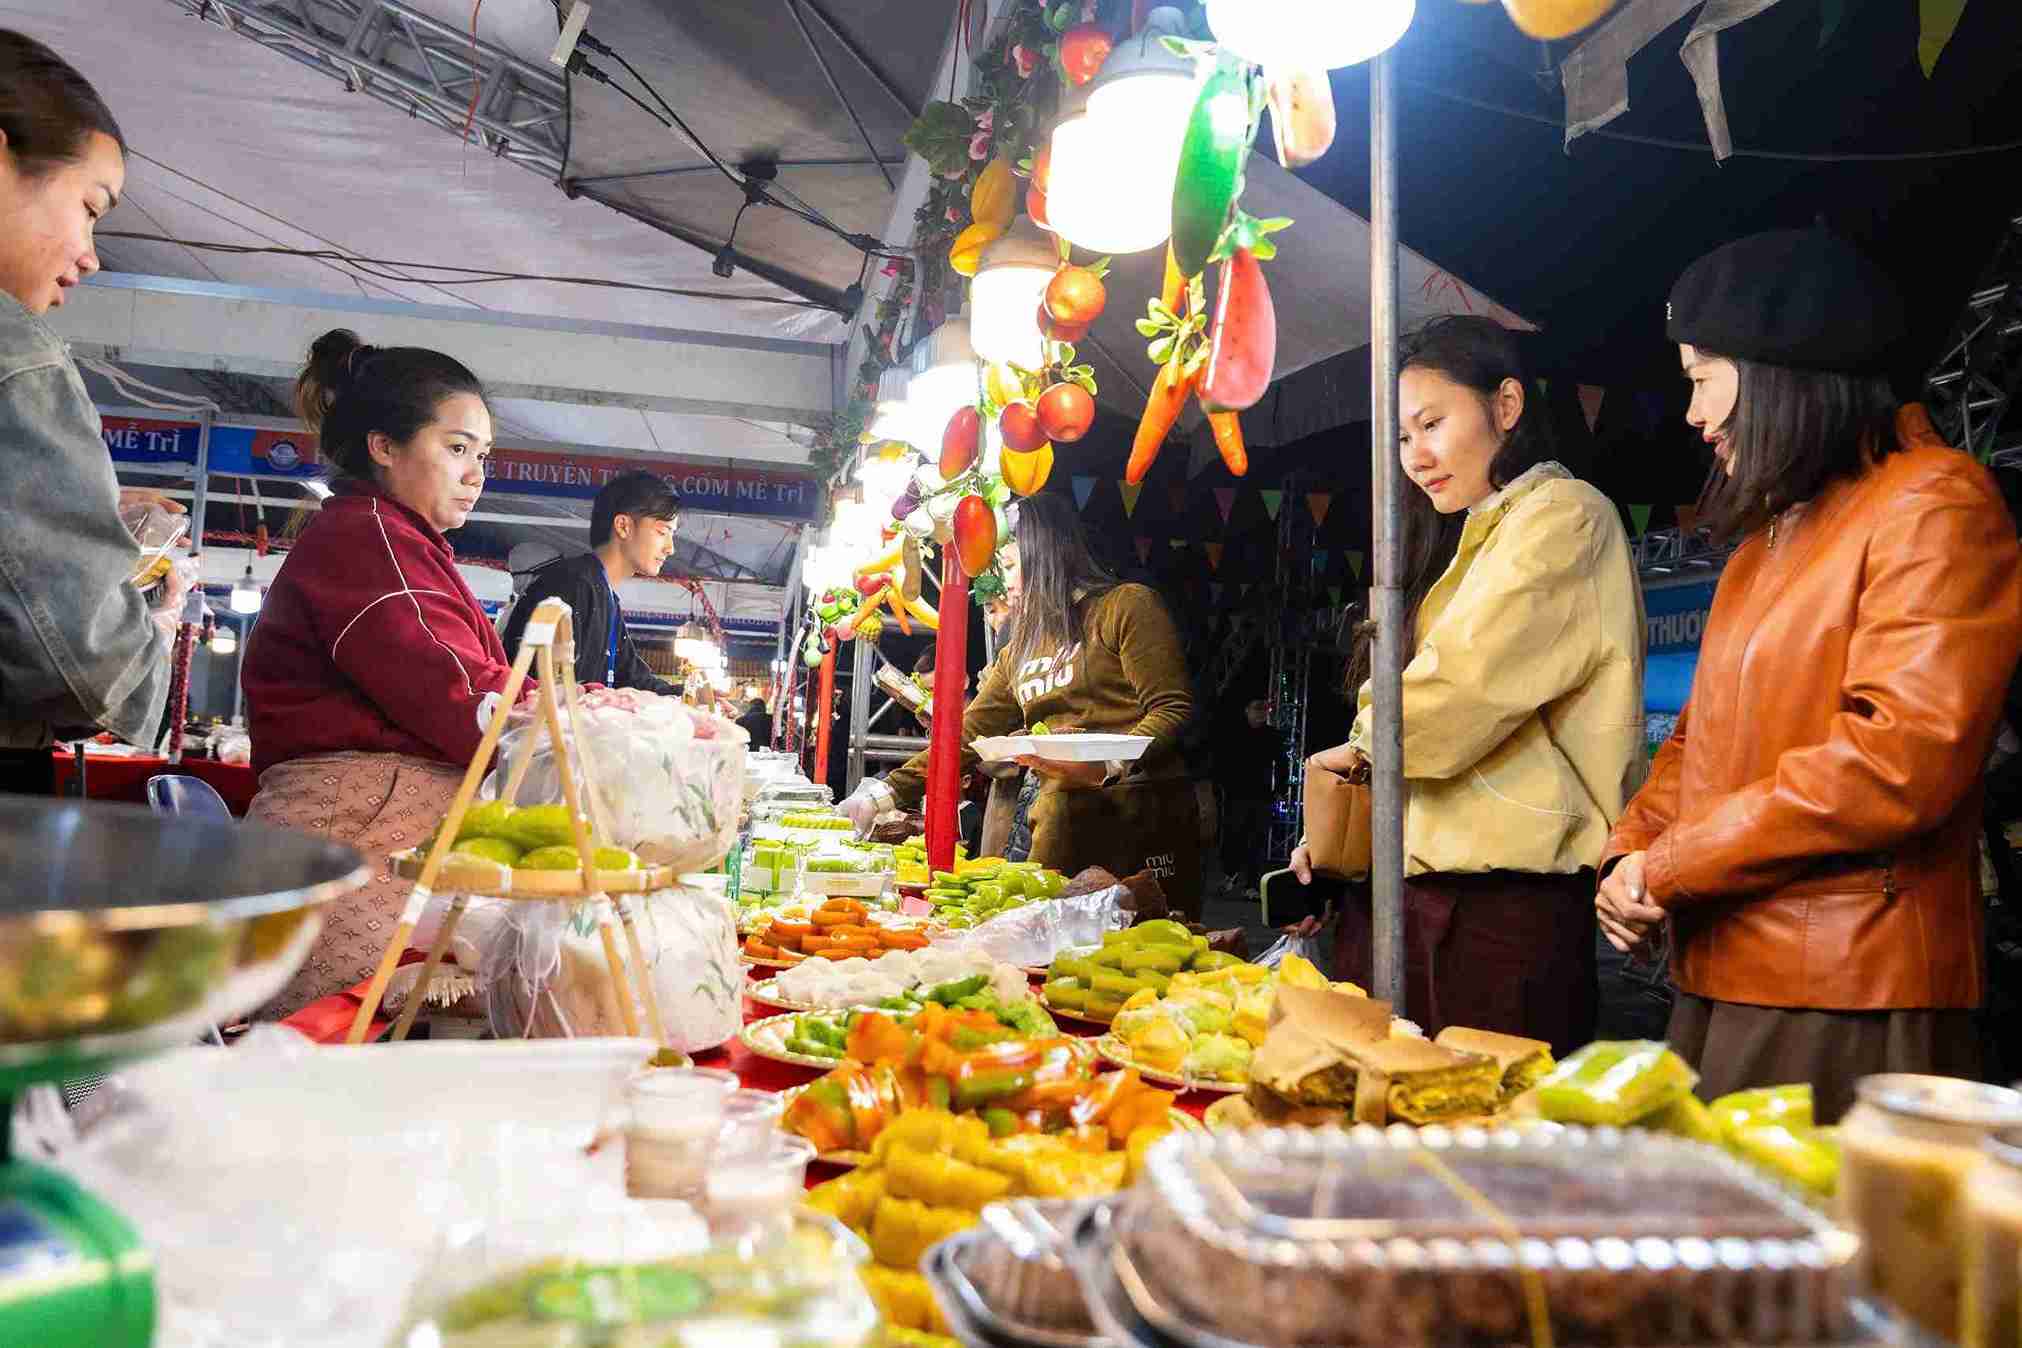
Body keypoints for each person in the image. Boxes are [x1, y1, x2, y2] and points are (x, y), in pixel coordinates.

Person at [1597, 230, 2022, 1120]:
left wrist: (1670, 868)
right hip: (1723, 971)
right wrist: (1631, 850)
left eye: (1703, 377)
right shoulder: (1771, 534)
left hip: (1848, 985)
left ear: (1781, 372)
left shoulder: (1934, 502)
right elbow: (1696, 738)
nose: (1694, 414)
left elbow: (1897, 761)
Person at [1287, 315, 1645, 1055]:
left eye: (1431, 424)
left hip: (1496, 911)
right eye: (1402, 437)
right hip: (1413, 898)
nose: (1416, 456)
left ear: (1506, 407)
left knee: (1480, 1142)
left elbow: (1445, 708)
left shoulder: (1564, 517)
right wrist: (1335, 833)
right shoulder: (1472, 534)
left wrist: (1354, 754)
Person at [242, 329, 525, 1017]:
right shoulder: (368, 539)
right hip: (351, 844)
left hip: (366, 843)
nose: (475, 473)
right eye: (456, 448)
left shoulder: (396, 541)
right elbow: (459, 693)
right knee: (332, 1070)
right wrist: (601, 716)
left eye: (482, 455)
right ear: (386, 447)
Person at [841, 495, 1203, 915]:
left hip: (1142, 817)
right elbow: (965, 736)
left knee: (1144, 958)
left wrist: (1108, 764)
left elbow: (1171, 708)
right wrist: (883, 794)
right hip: (1060, 822)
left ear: (1046, 555)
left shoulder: (1125, 606)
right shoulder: (1020, 649)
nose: (1006, 582)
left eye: (1011, 566)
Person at [0, 32, 189, 794]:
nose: (90, 253)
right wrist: (158, 618)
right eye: (90, 207)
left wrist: (86, 510)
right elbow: (90, 668)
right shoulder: (18, 360)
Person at [500, 470, 680, 694]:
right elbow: (543, 698)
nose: (671, 548)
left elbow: (632, 678)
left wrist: (686, 697)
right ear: (623, 526)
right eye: (663, 532)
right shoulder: (570, 586)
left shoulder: (603, 593)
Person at [1217, 698, 1283, 899]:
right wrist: (1221, 786)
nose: (1261, 712)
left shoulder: (1273, 735)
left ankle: (1252, 885)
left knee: (1257, 840)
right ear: (1246, 710)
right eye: (1256, 708)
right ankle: (1230, 874)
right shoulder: (1234, 733)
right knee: (1233, 835)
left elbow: (1282, 763)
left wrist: (1280, 788)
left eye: (1264, 709)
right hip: (1236, 794)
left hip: (1261, 795)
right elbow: (1223, 761)